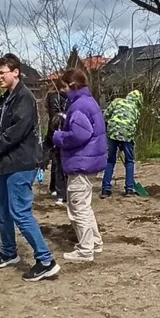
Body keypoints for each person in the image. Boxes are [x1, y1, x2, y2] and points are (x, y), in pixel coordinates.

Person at [0, 54, 60, 281]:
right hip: (8, 163)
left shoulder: (24, 99)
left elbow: (14, 134)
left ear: (16, 72)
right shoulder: (7, 99)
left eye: (2, 73)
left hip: (22, 163)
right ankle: (9, 252)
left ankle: (46, 260)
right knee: (1, 208)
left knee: (20, 212)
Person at [52, 68, 108, 261]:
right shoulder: (89, 102)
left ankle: (85, 250)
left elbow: (80, 134)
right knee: (85, 206)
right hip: (89, 161)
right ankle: (95, 242)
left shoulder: (79, 106)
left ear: (72, 86)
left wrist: (59, 137)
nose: (63, 91)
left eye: (64, 87)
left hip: (80, 163)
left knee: (78, 208)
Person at [101, 89, 143, 198]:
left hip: (112, 133)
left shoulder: (117, 101)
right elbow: (134, 125)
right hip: (127, 135)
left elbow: (105, 115)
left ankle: (105, 189)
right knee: (129, 161)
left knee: (110, 161)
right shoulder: (136, 110)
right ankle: (129, 189)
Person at [43, 77, 70, 204]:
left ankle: (55, 187)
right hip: (57, 130)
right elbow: (55, 116)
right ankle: (58, 190)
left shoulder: (60, 97)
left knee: (56, 160)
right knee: (58, 161)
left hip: (55, 130)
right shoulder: (57, 97)